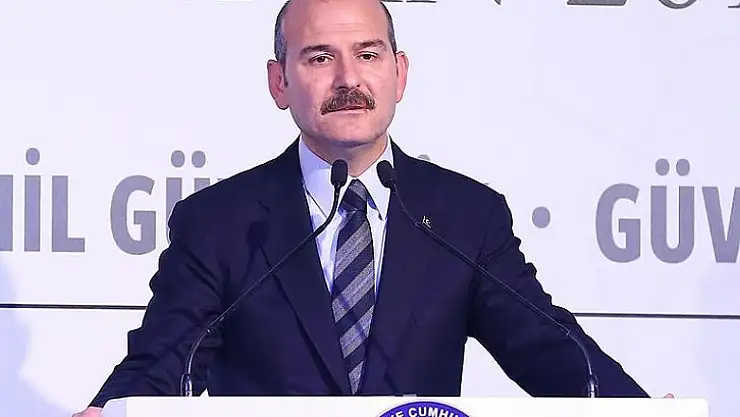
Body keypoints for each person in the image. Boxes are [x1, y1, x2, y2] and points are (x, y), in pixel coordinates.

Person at [73, 0, 655, 415]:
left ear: (399, 74)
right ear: (279, 83)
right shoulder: (221, 223)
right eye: (319, 58)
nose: (348, 79)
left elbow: (549, 347)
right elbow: (166, 361)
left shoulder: (464, 217)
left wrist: (643, 411)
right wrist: (110, 409)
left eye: (368, 54)